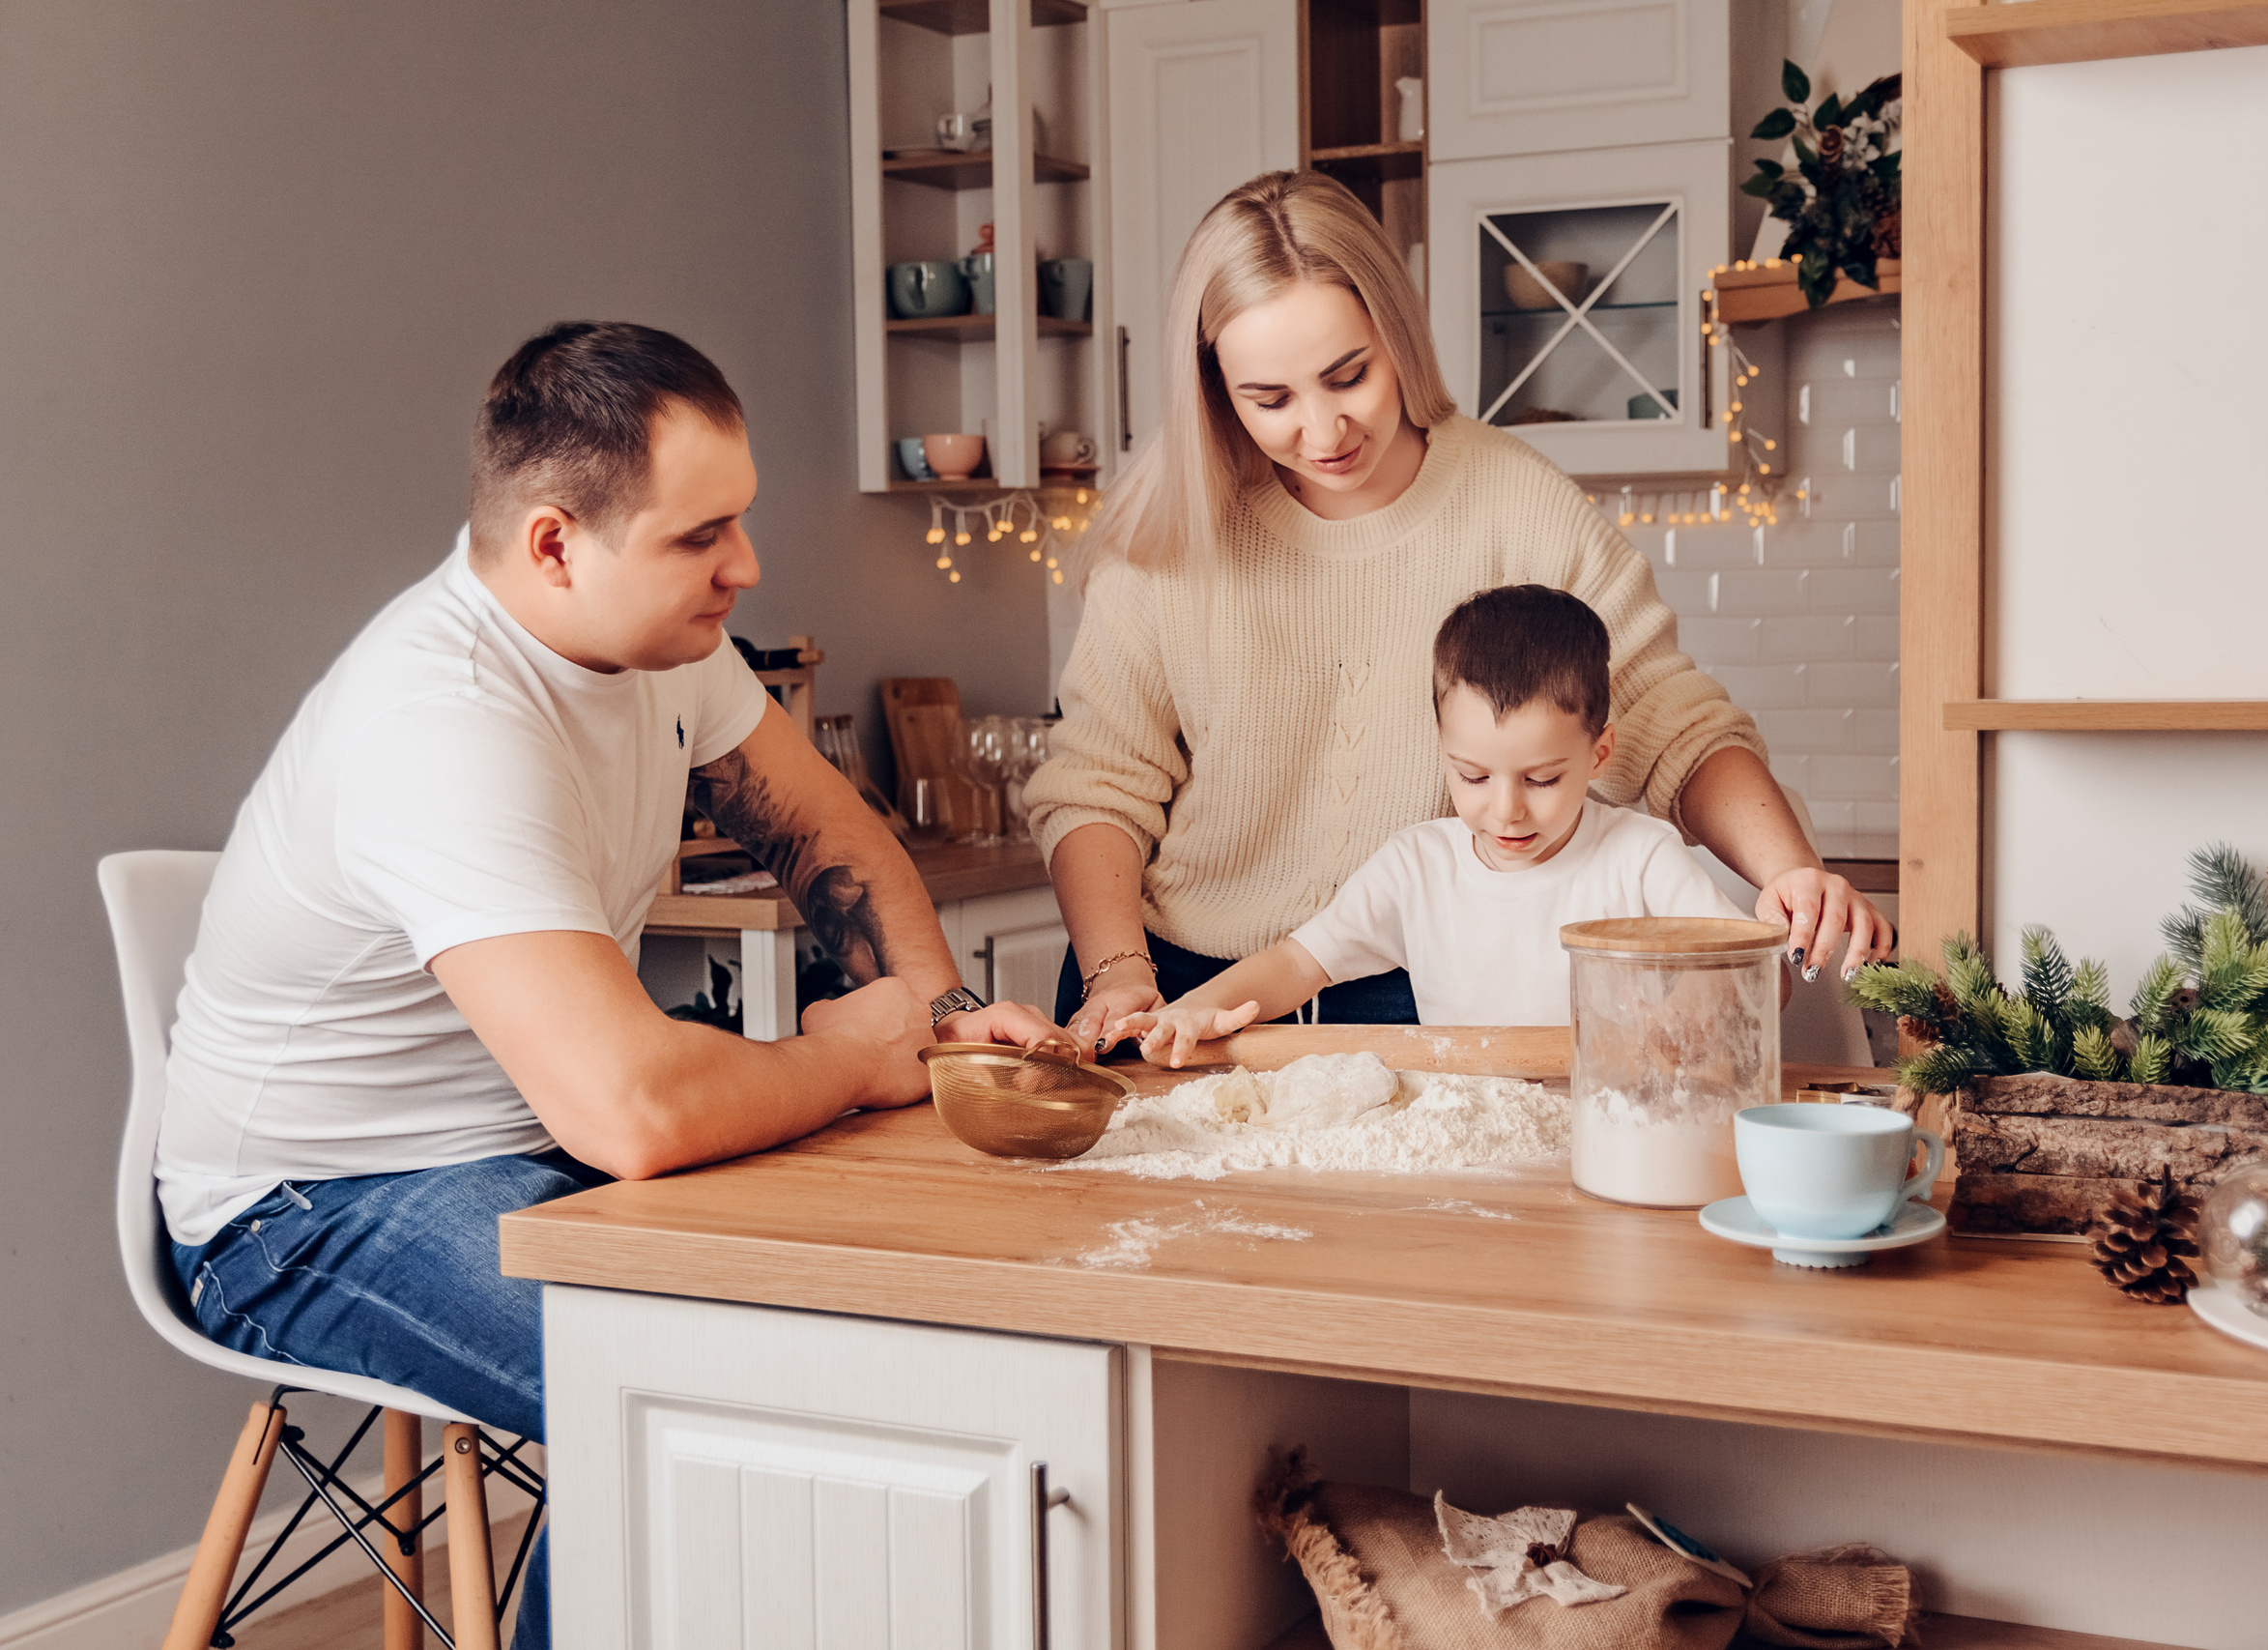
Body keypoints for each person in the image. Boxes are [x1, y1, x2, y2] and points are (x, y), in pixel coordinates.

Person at [155, 322, 1065, 1647]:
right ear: (553, 544)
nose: (745, 567)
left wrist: (933, 1023)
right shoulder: (439, 721)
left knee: (875, 1305)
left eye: (739, 521)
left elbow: (833, 832)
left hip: (527, 1145)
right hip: (309, 1207)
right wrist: (862, 1057)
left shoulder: (666, 643)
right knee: (693, 1379)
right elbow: (632, 1109)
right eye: (702, 538)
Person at [1026, 171, 1892, 1051]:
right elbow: (1098, 784)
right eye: (1271, 400)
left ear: (1397, 334)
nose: (1324, 432)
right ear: (1214, 386)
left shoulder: (1519, 505)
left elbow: (1673, 728)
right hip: (1175, 992)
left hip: (1412, 1005)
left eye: (1349, 375)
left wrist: (1790, 871)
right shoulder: (1171, 531)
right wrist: (1117, 970)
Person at [1116, 586, 1757, 1064]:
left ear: (1599, 752)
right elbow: (1296, 962)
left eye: (1541, 779)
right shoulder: (1416, 866)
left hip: (1613, 1124)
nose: (1505, 810)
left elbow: (1751, 970)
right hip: (1467, 1135)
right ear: (1443, 744)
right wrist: (1196, 1005)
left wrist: (1684, 1014)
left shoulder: (1640, 857)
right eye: (1473, 776)